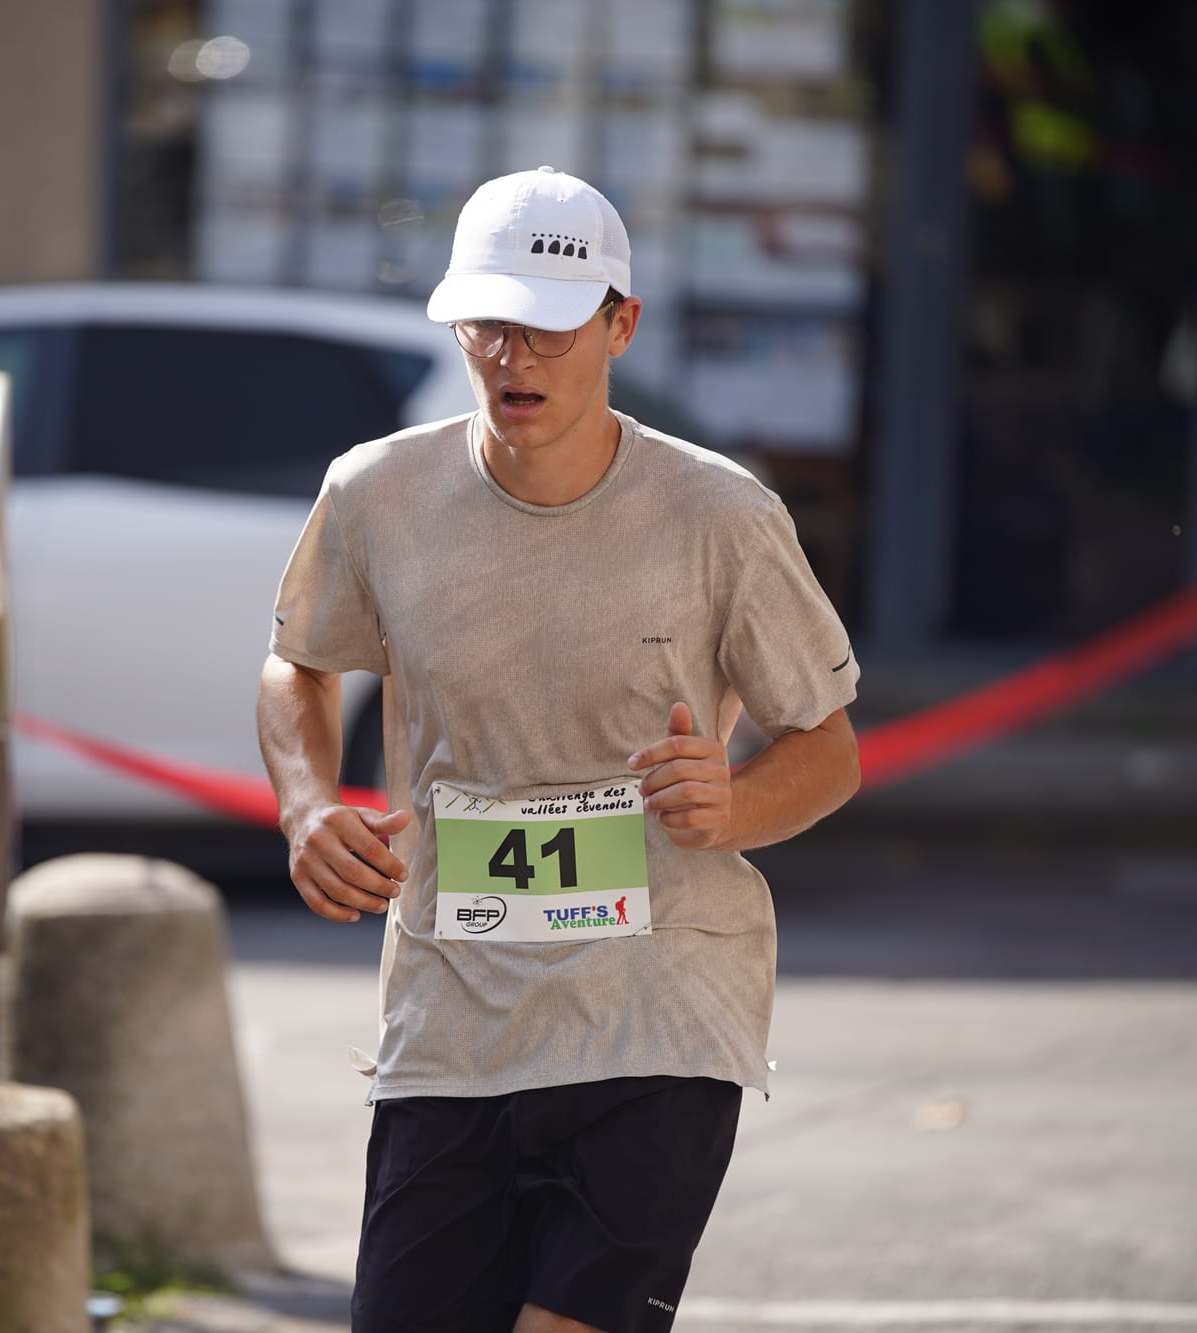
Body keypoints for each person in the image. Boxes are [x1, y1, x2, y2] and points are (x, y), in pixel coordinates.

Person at [256, 166, 862, 1333]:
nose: (511, 356)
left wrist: (733, 805)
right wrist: (304, 803)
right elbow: (299, 663)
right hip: (450, 1017)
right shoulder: (376, 492)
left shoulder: (721, 515)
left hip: (658, 1011)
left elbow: (826, 748)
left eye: (546, 326)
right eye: (486, 323)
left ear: (618, 326)